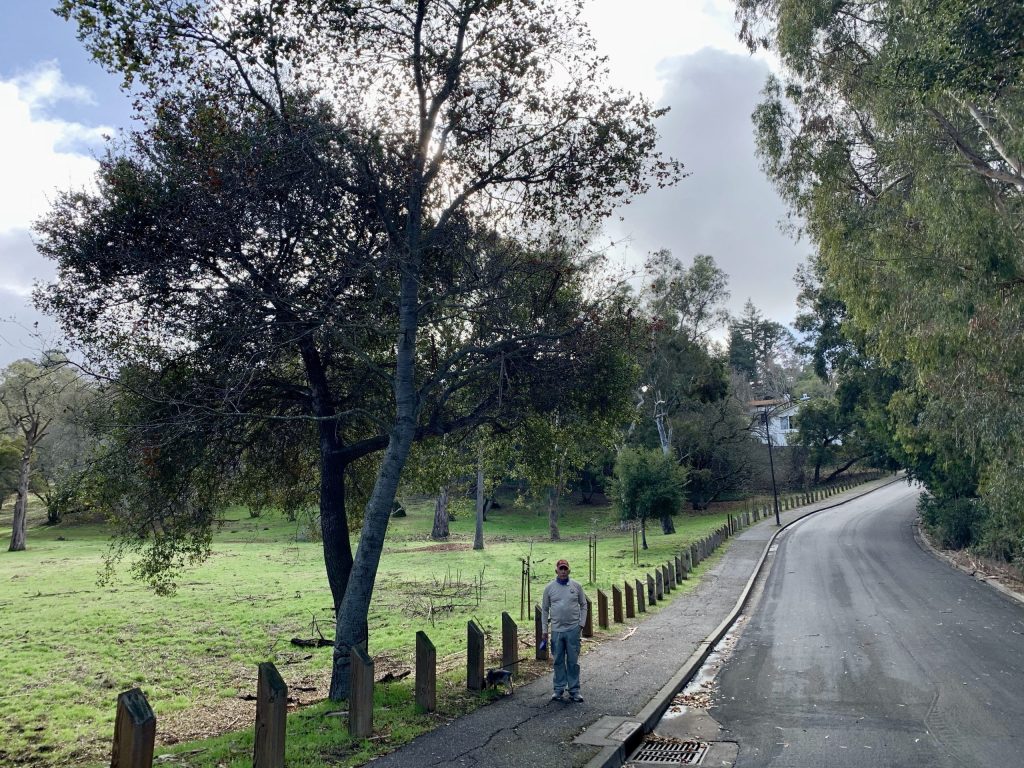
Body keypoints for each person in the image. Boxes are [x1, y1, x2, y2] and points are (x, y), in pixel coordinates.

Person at [540, 558, 588, 702]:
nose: (563, 571)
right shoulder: (549, 588)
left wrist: (581, 624)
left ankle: (574, 690)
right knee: (558, 660)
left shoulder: (576, 586)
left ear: (569, 570)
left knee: (573, 661)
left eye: (565, 569)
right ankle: (559, 689)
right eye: (560, 569)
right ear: (556, 571)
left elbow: (583, 604)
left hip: (573, 629)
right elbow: (544, 609)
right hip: (556, 630)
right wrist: (544, 630)